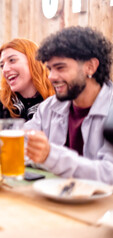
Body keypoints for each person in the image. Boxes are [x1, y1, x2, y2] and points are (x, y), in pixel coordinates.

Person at [25, 26, 113, 184]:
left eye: (60, 68)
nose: (51, 77)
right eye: (50, 69)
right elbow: (22, 146)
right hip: (55, 198)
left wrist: (50, 156)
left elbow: (109, 174)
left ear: (90, 67)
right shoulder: (49, 107)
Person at [0, 38, 54, 160]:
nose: (5, 69)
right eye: (2, 65)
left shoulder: (56, 98)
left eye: (12, 60)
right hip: (11, 171)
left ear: (34, 61)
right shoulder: (2, 98)